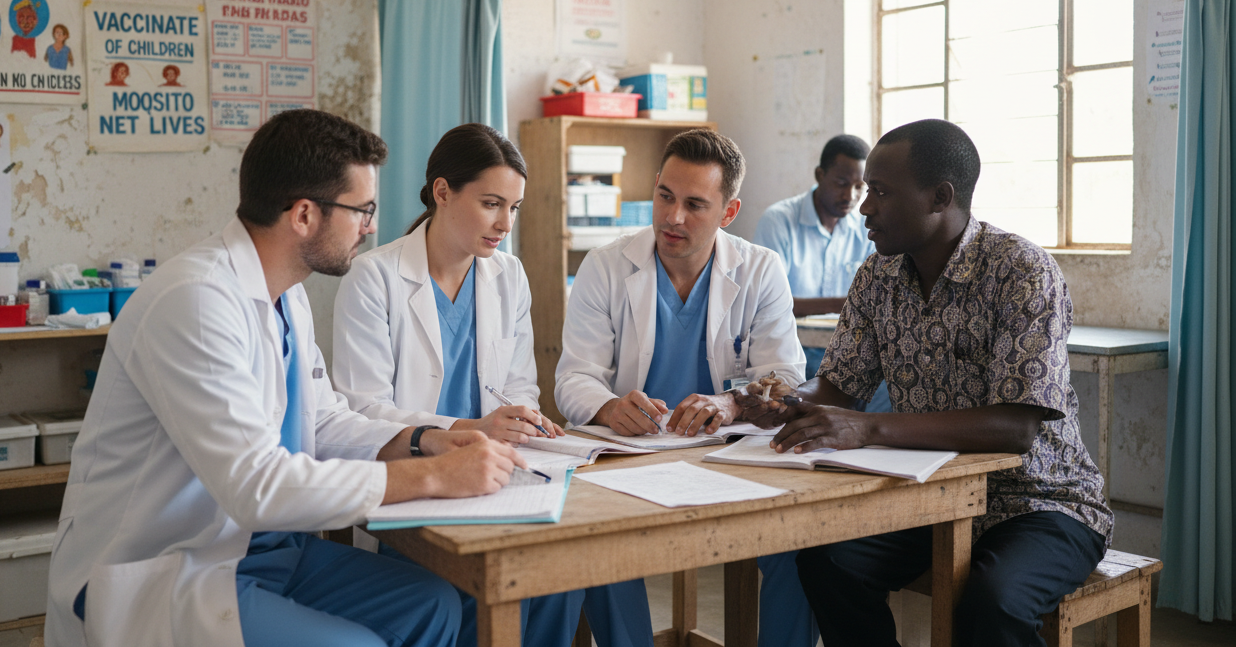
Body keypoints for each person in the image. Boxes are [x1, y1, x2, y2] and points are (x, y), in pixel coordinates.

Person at [46, 109, 528, 647]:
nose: (371, 226)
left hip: (267, 548)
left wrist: (425, 440)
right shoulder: (196, 301)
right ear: (303, 214)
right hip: (172, 565)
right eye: (363, 210)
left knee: (433, 604)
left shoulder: (287, 295)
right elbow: (255, 485)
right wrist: (435, 477)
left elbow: (323, 421)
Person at [750, 119, 1112, 647]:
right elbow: (837, 388)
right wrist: (781, 402)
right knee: (828, 561)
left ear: (940, 197)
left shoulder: (1022, 272)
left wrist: (866, 428)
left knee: (993, 600)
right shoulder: (878, 274)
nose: (865, 205)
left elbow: (1015, 428)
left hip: (1039, 502)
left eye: (880, 191)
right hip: (932, 495)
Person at [338, 123, 641, 647]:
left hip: (495, 479)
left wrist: (523, 419)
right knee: (482, 595)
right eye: (492, 203)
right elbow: (362, 412)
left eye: (515, 208)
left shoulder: (508, 275)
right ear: (442, 192)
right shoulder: (374, 277)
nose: (505, 223)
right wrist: (467, 427)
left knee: (557, 576)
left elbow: (518, 386)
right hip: (415, 483)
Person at [554, 128, 817, 647]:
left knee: (799, 543)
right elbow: (574, 376)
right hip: (630, 453)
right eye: (665, 196)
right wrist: (608, 407)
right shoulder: (605, 267)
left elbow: (786, 379)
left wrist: (731, 402)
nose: (673, 217)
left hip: (727, 453)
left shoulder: (760, 269)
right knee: (602, 542)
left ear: (729, 211)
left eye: (695, 204)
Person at [753, 134, 889, 413]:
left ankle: (869, 449)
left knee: (890, 388)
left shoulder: (866, 228)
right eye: (841, 183)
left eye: (859, 187)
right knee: (794, 398)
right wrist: (846, 304)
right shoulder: (779, 221)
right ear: (820, 175)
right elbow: (770, 305)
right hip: (798, 350)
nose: (849, 196)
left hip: (850, 351)